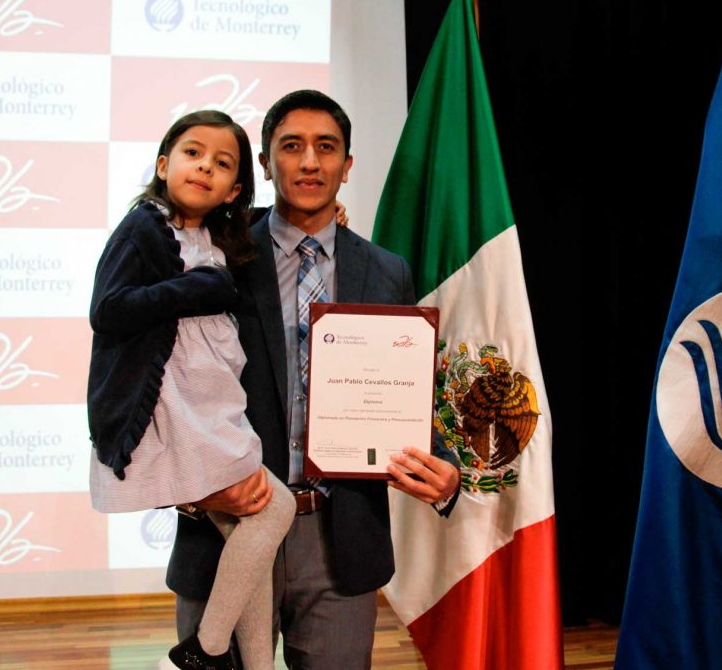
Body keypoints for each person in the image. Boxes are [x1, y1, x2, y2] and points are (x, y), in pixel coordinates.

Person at [167, 90, 462, 670]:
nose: (309, 162)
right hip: (227, 529)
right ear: (264, 163)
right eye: (291, 146)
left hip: (339, 540)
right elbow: (164, 382)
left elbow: (403, 391)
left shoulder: (387, 271)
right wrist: (191, 487)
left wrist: (444, 466)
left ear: (346, 166)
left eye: (326, 148)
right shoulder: (212, 256)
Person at [88, 110, 297, 670]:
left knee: (251, 530)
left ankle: (255, 664)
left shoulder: (213, 236)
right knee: (274, 508)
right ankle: (205, 649)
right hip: (175, 410)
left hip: (211, 407)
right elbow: (107, 309)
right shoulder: (144, 227)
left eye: (222, 163)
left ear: (234, 190)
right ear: (163, 164)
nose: (204, 166)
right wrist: (191, 289)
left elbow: (258, 225)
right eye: (192, 153)